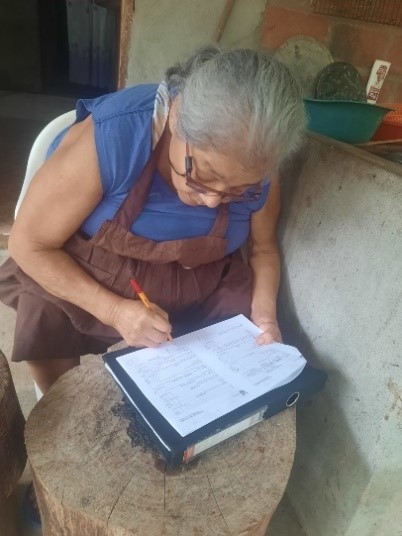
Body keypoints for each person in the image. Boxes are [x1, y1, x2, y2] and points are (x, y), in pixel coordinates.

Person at [0, 46, 305, 395]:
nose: (211, 201)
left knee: (240, 325)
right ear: (177, 118)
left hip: (197, 287)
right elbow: (28, 244)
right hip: (94, 278)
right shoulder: (117, 136)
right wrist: (115, 311)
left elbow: (263, 250)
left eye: (238, 190)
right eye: (204, 175)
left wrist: (265, 319)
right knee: (44, 314)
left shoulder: (259, 165)